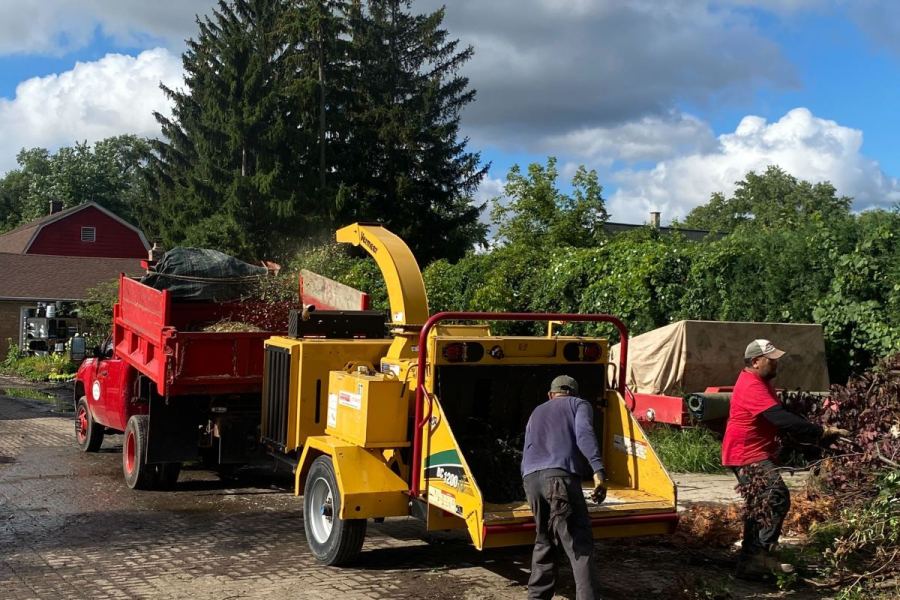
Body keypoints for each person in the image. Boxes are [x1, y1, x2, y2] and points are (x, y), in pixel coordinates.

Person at [722, 339, 848, 579]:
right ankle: (759, 556)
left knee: (759, 504)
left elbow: (778, 419)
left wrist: (812, 439)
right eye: (772, 359)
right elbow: (779, 418)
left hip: (751, 451)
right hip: (746, 453)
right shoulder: (751, 385)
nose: (776, 362)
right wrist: (819, 432)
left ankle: (751, 560)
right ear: (756, 361)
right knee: (775, 495)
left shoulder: (762, 381)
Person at [521, 374, 607, 600]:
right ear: (574, 393)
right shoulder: (579, 404)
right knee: (579, 545)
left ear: (551, 394)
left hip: (530, 479)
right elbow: (584, 434)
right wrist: (598, 470)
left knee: (544, 540)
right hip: (559, 478)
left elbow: (528, 445)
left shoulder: (536, 411)